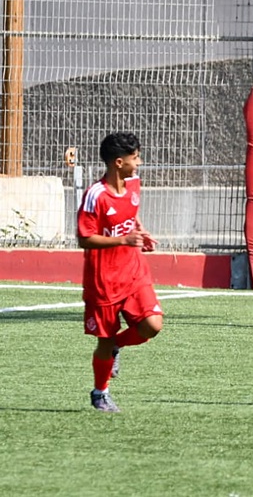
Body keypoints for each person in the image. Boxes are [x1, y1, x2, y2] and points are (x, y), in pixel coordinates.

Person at [77, 132, 163, 413]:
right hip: (103, 281)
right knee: (103, 341)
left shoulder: (134, 184)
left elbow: (132, 212)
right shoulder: (96, 196)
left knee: (152, 325)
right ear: (118, 162)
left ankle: (117, 346)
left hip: (134, 272)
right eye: (135, 158)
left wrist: (140, 231)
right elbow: (84, 238)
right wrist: (123, 240)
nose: (139, 163)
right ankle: (100, 392)